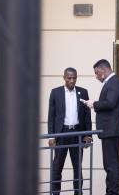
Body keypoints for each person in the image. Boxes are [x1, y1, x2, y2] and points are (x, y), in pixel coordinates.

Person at [48, 67, 92, 195]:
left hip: (77, 133)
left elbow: (87, 115)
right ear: (64, 78)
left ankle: (78, 193)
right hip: (61, 133)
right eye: (69, 78)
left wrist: (88, 135)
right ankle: (55, 193)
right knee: (57, 167)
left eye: (74, 78)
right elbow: (51, 116)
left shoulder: (83, 92)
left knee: (77, 168)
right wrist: (51, 136)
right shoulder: (55, 92)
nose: (72, 80)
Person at [84, 59, 119, 195]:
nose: (96, 76)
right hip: (109, 130)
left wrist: (94, 104)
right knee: (109, 164)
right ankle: (111, 191)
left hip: (112, 129)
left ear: (104, 70)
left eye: (97, 73)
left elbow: (110, 103)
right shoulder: (112, 82)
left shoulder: (115, 82)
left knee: (111, 164)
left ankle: (113, 192)